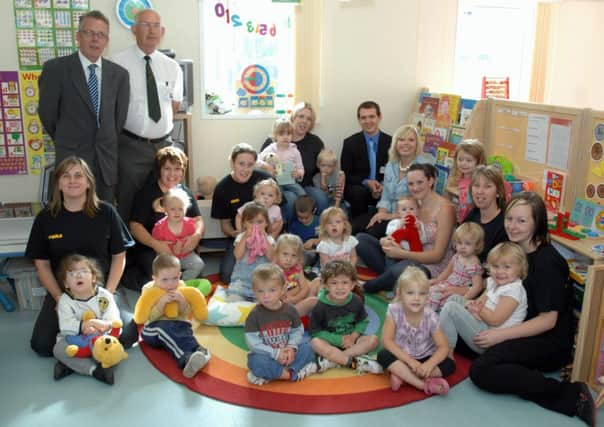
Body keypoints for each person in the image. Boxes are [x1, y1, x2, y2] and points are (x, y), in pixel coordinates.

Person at [469, 192, 596, 427]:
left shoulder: (547, 262)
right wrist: (480, 302)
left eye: (521, 221)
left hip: (548, 340)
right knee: (468, 341)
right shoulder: (514, 250)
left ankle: (571, 395)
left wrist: (499, 335)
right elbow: (495, 285)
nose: (512, 226)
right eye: (509, 219)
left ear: (536, 223)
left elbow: (548, 321)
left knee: (481, 370)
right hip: (516, 324)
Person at [26, 156, 134, 357]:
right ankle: (89, 338)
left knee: (128, 336)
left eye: (78, 175)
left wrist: (108, 295)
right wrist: (59, 297)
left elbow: (120, 256)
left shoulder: (106, 212)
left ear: (88, 182)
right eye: (66, 176)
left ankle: (87, 339)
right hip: (66, 292)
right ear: (58, 183)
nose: (72, 180)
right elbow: (41, 263)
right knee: (41, 345)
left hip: (103, 288)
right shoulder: (46, 218)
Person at [38, 10, 129, 203]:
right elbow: (48, 115)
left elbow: (118, 120)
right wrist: (68, 138)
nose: (95, 39)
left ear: (107, 40)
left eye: (101, 34)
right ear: (78, 36)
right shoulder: (56, 69)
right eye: (89, 33)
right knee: (71, 221)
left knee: (103, 221)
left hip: (106, 163)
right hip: (71, 162)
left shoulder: (119, 75)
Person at [113, 8, 183, 222]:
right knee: (128, 201)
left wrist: (158, 130)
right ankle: (128, 253)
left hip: (163, 145)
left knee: (167, 200)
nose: (151, 31)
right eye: (145, 25)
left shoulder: (171, 67)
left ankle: (162, 249)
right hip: (131, 146)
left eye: (155, 26)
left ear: (162, 31)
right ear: (134, 29)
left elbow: (175, 104)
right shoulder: (116, 63)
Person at [358, 163, 456, 294]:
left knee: (401, 270)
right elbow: (398, 227)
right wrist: (386, 241)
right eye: (411, 184)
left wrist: (401, 254)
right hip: (404, 255)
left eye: (420, 182)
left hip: (429, 265)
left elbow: (437, 256)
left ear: (431, 181)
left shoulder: (445, 209)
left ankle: (364, 287)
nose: (415, 188)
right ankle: (393, 280)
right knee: (360, 240)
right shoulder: (414, 203)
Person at [127, 147, 203, 290]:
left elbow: (198, 219)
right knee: (158, 274)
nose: (172, 174)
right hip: (151, 247)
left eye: (177, 169)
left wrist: (196, 236)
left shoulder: (184, 191)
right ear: (159, 170)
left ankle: (179, 286)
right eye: (167, 168)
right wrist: (156, 244)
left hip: (180, 248)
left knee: (195, 267)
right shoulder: (146, 192)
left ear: (183, 171)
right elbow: (135, 226)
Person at [440, 242, 528, 356]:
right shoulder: (494, 282)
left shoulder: (514, 290)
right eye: (496, 266)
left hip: (489, 339)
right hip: (482, 322)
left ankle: (446, 351)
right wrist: (473, 307)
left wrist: (475, 308)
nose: (500, 272)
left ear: (520, 269)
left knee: (451, 308)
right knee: (455, 298)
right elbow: (480, 301)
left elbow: (495, 320)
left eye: (507, 267)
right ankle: (442, 331)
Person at [377, 267, 455, 394]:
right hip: (402, 356)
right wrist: (410, 361)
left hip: (425, 356)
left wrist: (429, 364)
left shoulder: (431, 316)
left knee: (450, 364)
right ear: (399, 293)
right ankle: (421, 384)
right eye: (410, 293)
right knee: (383, 355)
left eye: (422, 293)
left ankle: (403, 375)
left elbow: (443, 347)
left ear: (427, 296)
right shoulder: (394, 310)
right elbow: (387, 341)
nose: (416, 298)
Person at [136, 254, 210, 378]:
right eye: (165, 280)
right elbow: (147, 317)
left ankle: (198, 352)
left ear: (179, 275)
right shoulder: (148, 289)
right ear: (155, 278)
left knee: (184, 329)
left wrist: (182, 302)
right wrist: (161, 304)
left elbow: (185, 314)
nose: (170, 284)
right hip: (153, 329)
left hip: (177, 324)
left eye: (175, 278)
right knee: (166, 329)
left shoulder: (181, 287)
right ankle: (186, 359)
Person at [52, 254, 120, 385]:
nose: (78, 276)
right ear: (66, 283)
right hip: (76, 338)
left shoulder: (104, 296)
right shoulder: (65, 301)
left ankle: (71, 365)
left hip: (99, 337)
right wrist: (85, 325)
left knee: (112, 347)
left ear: (93, 277)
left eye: (84, 271)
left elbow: (112, 319)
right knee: (58, 349)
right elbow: (65, 325)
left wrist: (97, 327)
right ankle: (94, 370)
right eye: (72, 274)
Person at [244, 264, 317, 385]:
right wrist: (276, 354)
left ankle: (274, 374)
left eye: (272, 290)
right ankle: (290, 374)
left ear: (283, 289)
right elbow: (253, 343)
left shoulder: (290, 310)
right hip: (267, 354)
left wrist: (291, 347)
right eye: (260, 291)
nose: (266, 295)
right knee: (256, 362)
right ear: (254, 292)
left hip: (288, 351)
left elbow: (297, 330)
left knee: (309, 346)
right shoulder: (254, 315)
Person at [211, 143, 271, 282]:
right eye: (241, 164)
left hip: (267, 235)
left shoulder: (265, 180)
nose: (245, 169)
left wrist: (269, 237)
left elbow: (279, 214)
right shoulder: (222, 188)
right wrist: (236, 234)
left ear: (255, 164)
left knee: (278, 268)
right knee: (227, 275)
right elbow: (225, 225)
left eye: (250, 164)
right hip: (241, 237)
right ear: (232, 163)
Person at [309, 260, 382, 374]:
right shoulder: (320, 305)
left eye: (344, 282)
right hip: (330, 342)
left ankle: (335, 360)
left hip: (352, 342)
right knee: (315, 342)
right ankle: (354, 363)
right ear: (325, 286)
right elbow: (315, 331)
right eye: (334, 283)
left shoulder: (356, 300)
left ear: (352, 285)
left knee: (374, 340)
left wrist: (353, 337)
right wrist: (339, 340)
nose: (340, 287)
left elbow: (362, 322)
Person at [357, 124, 431, 236]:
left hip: (407, 219)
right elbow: (385, 196)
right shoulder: (391, 165)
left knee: (367, 234)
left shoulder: (424, 166)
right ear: (395, 143)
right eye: (401, 139)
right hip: (387, 212)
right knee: (352, 227)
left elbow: (419, 205)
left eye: (411, 140)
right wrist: (380, 215)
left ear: (417, 144)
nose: (405, 143)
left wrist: (389, 217)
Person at [261, 102, 327, 213]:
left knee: (322, 199)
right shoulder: (274, 141)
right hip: (278, 185)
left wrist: (325, 180)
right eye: (301, 116)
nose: (304, 121)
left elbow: (323, 167)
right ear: (293, 118)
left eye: (309, 119)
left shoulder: (315, 142)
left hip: (305, 185)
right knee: (290, 200)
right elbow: (259, 163)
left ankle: (314, 227)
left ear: (311, 123)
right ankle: (287, 228)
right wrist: (267, 167)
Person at [341, 101, 392, 221]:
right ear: (359, 120)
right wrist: (366, 182)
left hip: (384, 186)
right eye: (363, 117)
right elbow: (346, 174)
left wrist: (383, 186)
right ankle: (359, 228)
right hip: (359, 187)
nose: (368, 121)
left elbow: (396, 169)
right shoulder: (350, 143)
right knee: (359, 193)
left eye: (372, 116)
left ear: (379, 117)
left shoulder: (391, 142)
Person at [427, 222, 484, 311]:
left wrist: (464, 300)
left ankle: (429, 315)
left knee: (435, 296)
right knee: (428, 290)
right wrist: (437, 280)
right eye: (459, 243)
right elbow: (447, 271)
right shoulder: (457, 256)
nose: (462, 247)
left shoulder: (473, 263)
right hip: (448, 284)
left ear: (477, 245)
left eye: (467, 244)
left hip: (459, 291)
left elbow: (478, 286)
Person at [258, 119, 306, 223]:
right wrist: (266, 166)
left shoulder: (294, 151)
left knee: (303, 194)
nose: (285, 137)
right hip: (274, 182)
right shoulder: (270, 148)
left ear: (292, 136)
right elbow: (257, 160)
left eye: (288, 134)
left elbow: (301, 168)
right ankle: (280, 221)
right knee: (279, 198)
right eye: (281, 134)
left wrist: (298, 173)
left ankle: (303, 218)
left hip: (290, 181)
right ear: (275, 135)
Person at [151, 187, 205, 280]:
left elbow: (195, 241)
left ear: (186, 209)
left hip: (185, 255)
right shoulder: (159, 227)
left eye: (181, 209)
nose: (177, 212)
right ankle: (168, 282)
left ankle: (182, 282)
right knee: (159, 269)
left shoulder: (190, 224)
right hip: (167, 257)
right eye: (173, 209)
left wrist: (189, 246)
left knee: (199, 265)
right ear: (165, 209)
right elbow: (157, 245)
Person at [228, 202, 275, 301]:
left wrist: (264, 239)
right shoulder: (241, 238)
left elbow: (272, 258)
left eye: (259, 222)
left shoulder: (269, 239)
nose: (255, 226)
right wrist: (245, 237)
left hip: (263, 283)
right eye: (251, 222)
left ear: (266, 223)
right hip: (241, 282)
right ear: (244, 223)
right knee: (233, 301)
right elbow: (237, 255)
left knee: (265, 304)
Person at [463, 165, 509, 263]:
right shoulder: (473, 215)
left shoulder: (505, 225)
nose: (480, 191)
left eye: (487, 186)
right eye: (476, 185)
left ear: (498, 192)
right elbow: (458, 251)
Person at [447, 139, 487, 223]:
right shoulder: (459, 177)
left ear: (479, 162)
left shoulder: (479, 182)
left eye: (469, 161)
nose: (463, 163)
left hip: (473, 222)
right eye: (460, 160)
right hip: (461, 219)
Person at [274, 234, 311, 307]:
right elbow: (274, 292)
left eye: (293, 255)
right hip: (279, 302)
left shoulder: (297, 269)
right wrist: (296, 290)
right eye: (285, 254)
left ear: (299, 258)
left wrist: (296, 298)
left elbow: (305, 288)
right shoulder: (274, 270)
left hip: (294, 300)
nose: (289, 259)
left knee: (311, 298)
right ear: (277, 253)